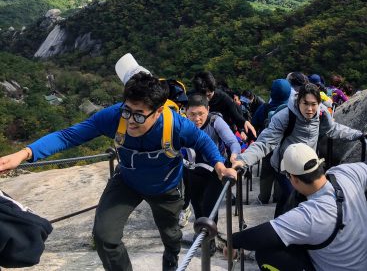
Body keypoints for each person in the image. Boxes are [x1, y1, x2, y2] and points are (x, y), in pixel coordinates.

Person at [0, 53, 236, 271]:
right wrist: (25, 154)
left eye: (139, 114)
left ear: (158, 111)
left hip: (165, 188)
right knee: (105, 236)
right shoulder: (115, 116)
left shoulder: (176, 124)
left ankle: (171, 260)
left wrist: (218, 163)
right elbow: (68, 135)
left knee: (171, 235)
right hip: (128, 181)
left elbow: (203, 141)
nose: (131, 121)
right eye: (128, 110)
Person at [229, 143, 367, 271]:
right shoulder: (347, 173)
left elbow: (261, 236)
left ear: (293, 179)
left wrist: (232, 242)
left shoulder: (311, 214)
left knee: (266, 254)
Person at [233, 83, 363, 216]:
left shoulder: (321, 114)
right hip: (285, 166)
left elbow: (333, 129)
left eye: (313, 104)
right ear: (298, 100)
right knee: (292, 196)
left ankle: (278, 222)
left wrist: (357, 134)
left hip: (306, 166)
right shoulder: (285, 116)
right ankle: (282, 228)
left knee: (287, 198)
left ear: (319, 103)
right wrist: (243, 160)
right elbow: (265, 142)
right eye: (305, 103)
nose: (310, 109)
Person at [183, 94, 241, 255]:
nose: (197, 119)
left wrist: (234, 154)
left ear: (208, 110)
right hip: (193, 170)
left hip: (216, 170)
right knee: (197, 205)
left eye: (201, 114)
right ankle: (201, 234)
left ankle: (208, 241)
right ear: (186, 111)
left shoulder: (215, 121)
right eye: (192, 114)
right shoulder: (182, 123)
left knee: (209, 207)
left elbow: (232, 141)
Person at [251, 79, 291, 205]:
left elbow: (254, 124)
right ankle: (278, 197)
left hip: (268, 147)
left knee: (266, 172)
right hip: (284, 147)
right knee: (282, 171)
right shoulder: (291, 108)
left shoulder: (264, 108)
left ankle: (263, 197)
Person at [192, 71, 257, 139]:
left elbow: (236, 115)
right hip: (202, 132)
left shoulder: (223, 98)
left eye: (209, 95)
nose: (207, 99)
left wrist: (244, 123)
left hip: (223, 133)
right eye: (203, 96)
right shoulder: (193, 97)